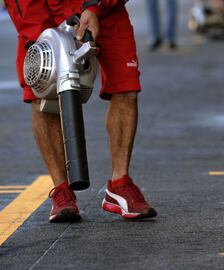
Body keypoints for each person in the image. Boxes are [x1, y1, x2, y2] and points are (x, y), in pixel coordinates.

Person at [3, 0, 157, 222]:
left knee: (127, 87)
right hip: (42, 9)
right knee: (41, 91)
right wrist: (38, 32)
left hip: (106, 11)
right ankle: (61, 190)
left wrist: (95, 7)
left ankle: (119, 184)